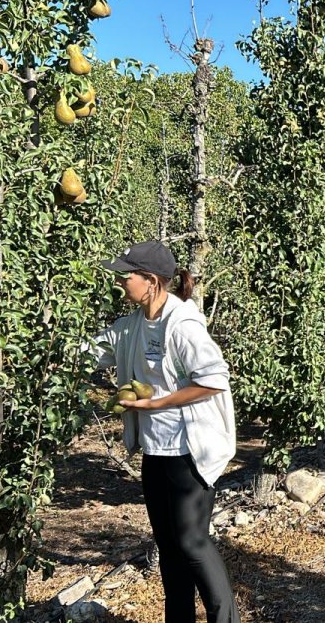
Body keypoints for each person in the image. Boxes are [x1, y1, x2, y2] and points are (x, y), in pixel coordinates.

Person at [89, 240, 239, 622]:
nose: (122, 283)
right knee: (169, 548)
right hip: (156, 450)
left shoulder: (182, 325)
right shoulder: (133, 326)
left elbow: (215, 379)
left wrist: (155, 404)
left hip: (190, 451)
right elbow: (89, 351)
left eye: (128, 276)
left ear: (151, 281)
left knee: (192, 543)